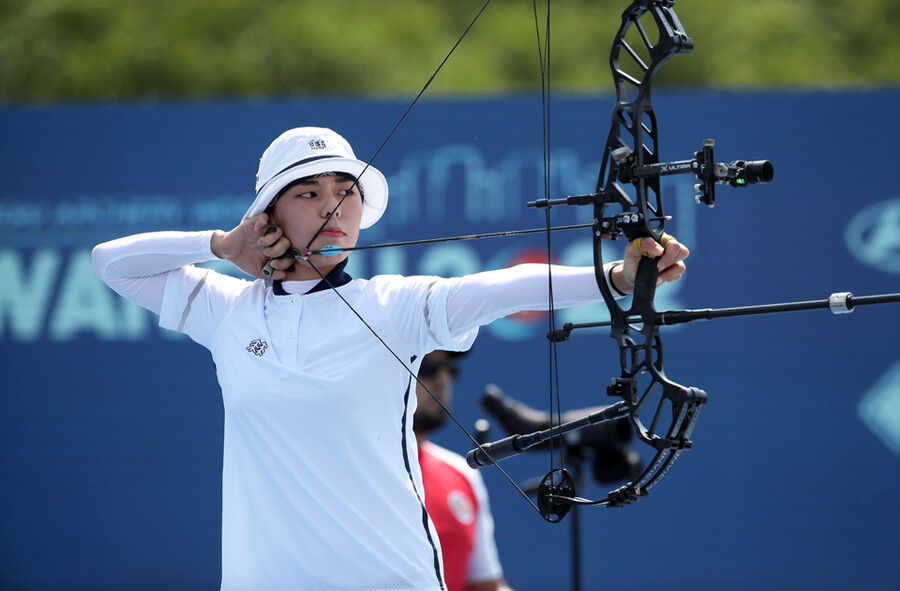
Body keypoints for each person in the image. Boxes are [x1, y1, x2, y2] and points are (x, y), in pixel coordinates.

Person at [92, 126, 688, 591]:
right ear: (267, 217)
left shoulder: (393, 305)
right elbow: (109, 262)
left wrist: (616, 276)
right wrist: (221, 246)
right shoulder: (226, 309)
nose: (333, 207)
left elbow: (507, 288)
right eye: (308, 193)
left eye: (345, 192)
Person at [413, 350, 513, 591]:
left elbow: (487, 586)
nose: (443, 379)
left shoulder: (463, 473)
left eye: (450, 370)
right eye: (429, 367)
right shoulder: (346, 471)